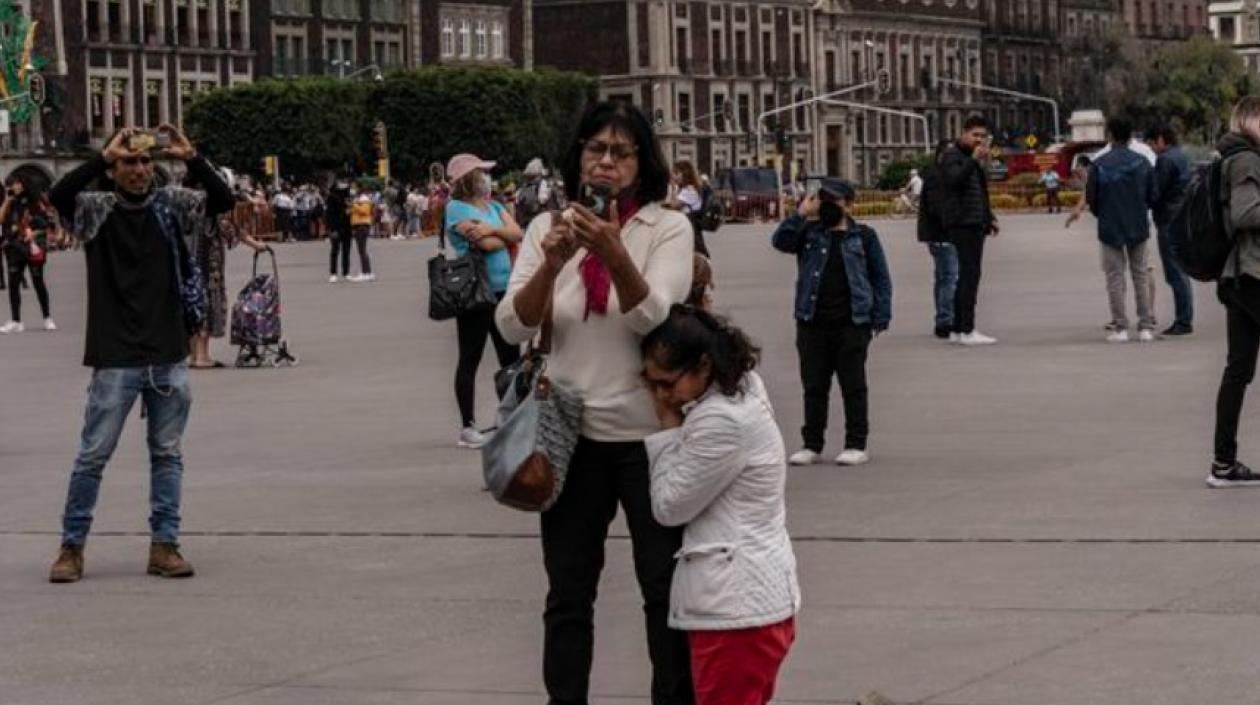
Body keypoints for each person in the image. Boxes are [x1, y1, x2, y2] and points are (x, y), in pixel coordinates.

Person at [495, 100, 695, 705]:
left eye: (620, 152)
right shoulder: (544, 229)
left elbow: (656, 316)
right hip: (569, 441)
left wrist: (613, 252)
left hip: (648, 439)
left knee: (664, 592)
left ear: (642, 163)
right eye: (595, 149)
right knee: (568, 594)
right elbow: (511, 325)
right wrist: (553, 263)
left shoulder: (668, 227)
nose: (605, 162)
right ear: (577, 156)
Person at [44, 124, 234, 583]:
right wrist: (99, 158)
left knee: (167, 455)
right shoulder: (96, 210)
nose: (140, 169)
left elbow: (224, 201)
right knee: (93, 455)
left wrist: (193, 158)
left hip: (168, 351)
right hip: (115, 354)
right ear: (114, 169)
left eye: (146, 161)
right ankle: (72, 547)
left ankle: (165, 545)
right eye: (129, 162)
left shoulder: (172, 205)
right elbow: (58, 195)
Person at [641, 306, 800, 705]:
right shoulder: (743, 387)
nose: (661, 395)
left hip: (735, 608)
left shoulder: (722, 422)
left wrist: (666, 428)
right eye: (651, 384)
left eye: (666, 383)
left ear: (703, 365)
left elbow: (668, 505)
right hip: (754, 599)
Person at [771, 177, 892, 467]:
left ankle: (855, 444)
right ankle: (811, 444)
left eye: (833, 201)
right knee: (814, 386)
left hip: (852, 321)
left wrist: (880, 317)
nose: (826, 206)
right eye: (822, 199)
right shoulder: (810, 233)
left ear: (849, 204)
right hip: (812, 321)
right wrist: (800, 213)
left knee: (853, 386)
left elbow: (880, 278)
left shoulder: (864, 236)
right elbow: (780, 242)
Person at [442, 153, 524, 448]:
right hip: (475, 292)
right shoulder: (455, 208)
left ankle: (513, 418)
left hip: (504, 290)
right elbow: (489, 244)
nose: (487, 178)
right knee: (470, 357)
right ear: (468, 179)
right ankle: (468, 426)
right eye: (481, 173)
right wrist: (500, 235)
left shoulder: (495, 206)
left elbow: (518, 232)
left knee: (511, 359)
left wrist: (492, 230)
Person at [1207, 97, 1260, 487]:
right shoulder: (1245, 159)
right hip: (1252, 275)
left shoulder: (1228, 155)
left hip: (1237, 277)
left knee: (1237, 370)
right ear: (1249, 120)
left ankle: (1223, 464)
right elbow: (1245, 214)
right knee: (1237, 371)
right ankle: (1223, 463)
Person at [1085, 117, 1157, 343]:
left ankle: (1120, 328)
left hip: (1110, 226)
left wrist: (1104, 215)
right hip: (1138, 224)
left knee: (1114, 278)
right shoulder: (1142, 162)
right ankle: (1145, 326)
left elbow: (1092, 199)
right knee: (1141, 275)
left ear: (1110, 135)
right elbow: (1152, 195)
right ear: (1129, 136)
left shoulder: (1099, 163)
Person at [186, 173, 268, 368]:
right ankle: (202, 356)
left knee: (193, 306)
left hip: (188, 266)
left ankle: (192, 355)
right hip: (209, 265)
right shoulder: (212, 207)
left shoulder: (186, 206)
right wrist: (257, 245)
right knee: (208, 305)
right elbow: (232, 231)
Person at [940, 115, 999, 346]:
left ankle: (957, 328)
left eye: (983, 136)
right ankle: (967, 329)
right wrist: (974, 160)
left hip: (975, 221)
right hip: (963, 223)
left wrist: (989, 218)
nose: (979, 140)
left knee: (968, 274)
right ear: (963, 133)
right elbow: (955, 181)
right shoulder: (952, 156)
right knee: (969, 275)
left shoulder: (968, 158)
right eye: (975, 135)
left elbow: (979, 191)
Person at [1150, 123, 1195, 337]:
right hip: (1181, 215)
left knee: (1174, 271)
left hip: (1168, 218)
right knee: (1180, 270)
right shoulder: (1181, 156)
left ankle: (1183, 320)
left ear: (1160, 139)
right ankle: (1184, 317)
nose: (1151, 148)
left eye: (1152, 142)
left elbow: (1156, 191)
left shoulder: (1165, 160)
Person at [0, 175, 58, 333]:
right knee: (13, 284)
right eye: (10, 185)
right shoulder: (10, 202)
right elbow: (0, 219)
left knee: (38, 281)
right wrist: (7, 200)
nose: (13, 187)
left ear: (23, 184)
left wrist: (34, 233)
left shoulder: (35, 201)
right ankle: (16, 320)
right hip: (14, 248)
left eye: (16, 183)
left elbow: (46, 223)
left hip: (33, 246)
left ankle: (47, 317)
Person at [671, 160, 710, 258]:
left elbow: (673, 205)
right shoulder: (683, 189)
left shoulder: (689, 190)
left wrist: (672, 188)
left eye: (676, 173)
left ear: (685, 173)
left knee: (697, 254)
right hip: (687, 226)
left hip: (691, 226)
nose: (674, 177)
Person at [326, 181, 352, 283]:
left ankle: (346, 272)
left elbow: (350, 210)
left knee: (346, 251)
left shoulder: (347, 198)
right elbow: (329, 215)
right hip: (336, 227)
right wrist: (332, 229)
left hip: (347, 227)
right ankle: (333, 273)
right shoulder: (332, 198)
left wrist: (349, 211)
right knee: (335, 251)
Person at [347, 188, 375, 281]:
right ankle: (367, 272)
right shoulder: (359, 202)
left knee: (362, 250)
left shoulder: (364, 201)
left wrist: (354, 205)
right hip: (358, 226)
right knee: (361, 250)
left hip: (362, 226)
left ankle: (366, 273)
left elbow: (364, 212)